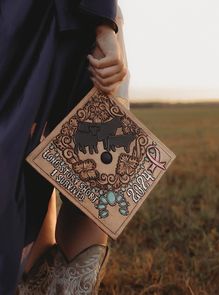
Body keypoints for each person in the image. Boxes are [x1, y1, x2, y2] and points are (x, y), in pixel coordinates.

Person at [0, 1, 127, 294]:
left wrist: (106, 26)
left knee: (94, 191)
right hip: (22, 37)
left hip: (83, 33)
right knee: (27, 180)